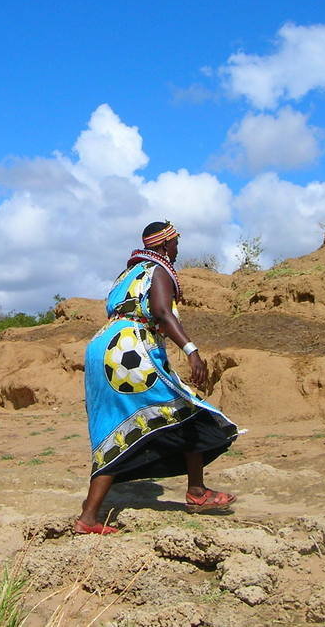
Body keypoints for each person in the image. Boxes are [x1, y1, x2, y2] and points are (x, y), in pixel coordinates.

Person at [76, 221, 239, 534]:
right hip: (129, 348)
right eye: (175, 242)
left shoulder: (127, 274)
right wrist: (191, 351)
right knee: (187, 410)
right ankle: (197, 492)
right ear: (165, 244)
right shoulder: (158, 269)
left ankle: (89, 515)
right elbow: (162, 312)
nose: (177, 248)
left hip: (101, 347)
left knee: (116, 426)